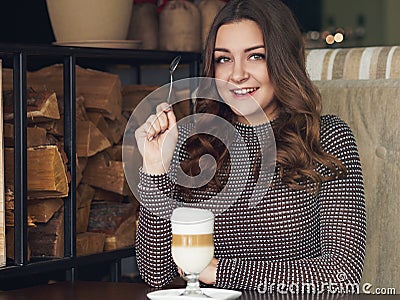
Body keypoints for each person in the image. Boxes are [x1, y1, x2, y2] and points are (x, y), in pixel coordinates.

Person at [134, 0, 366, 292]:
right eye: (224, 59)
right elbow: (156, 275)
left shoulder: (326, 137)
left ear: (283, 61)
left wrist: (220, 271)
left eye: (255, 56)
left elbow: (342, 274)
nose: (237, 74)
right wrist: (155, 169)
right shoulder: (191, 139)